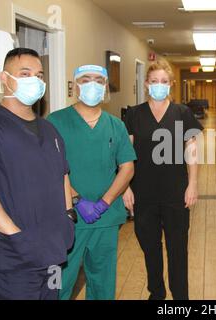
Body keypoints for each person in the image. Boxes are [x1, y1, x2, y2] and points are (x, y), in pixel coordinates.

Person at [0, 48, 75, 300]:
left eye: (39, 74)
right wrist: (15, 236)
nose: (35, 80)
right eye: (25, 73)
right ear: (5, 78)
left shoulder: (50, 130)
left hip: (53, 250)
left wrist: (68, 217)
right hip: (14, 257)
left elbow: (62, 174)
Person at [47, 65, 137, 300]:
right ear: (75, 86)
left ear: (106, 87)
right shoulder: (55, 122)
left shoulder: (116, 125)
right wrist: (77, 199)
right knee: (60, 283)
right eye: (86, 80)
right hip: (66, 218)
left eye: (99, 80)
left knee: (102, 282)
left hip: (105, 220)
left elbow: (127, 167)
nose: (92, 85)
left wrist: (104, 203)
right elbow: (49, 168)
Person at [124, 60, 203, 300]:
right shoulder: (134, 114)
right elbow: (125, 153)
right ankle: (156, 293)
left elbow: (192, 149)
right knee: (150, 248)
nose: (159, 85)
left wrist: (193, 184)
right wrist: (125, 186)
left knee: (177, 249)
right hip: (143, 193)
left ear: (171, 85)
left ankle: (181, 298)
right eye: (155, 81)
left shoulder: (182, 113)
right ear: (146, 84)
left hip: (175, 192)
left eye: (164, 82)